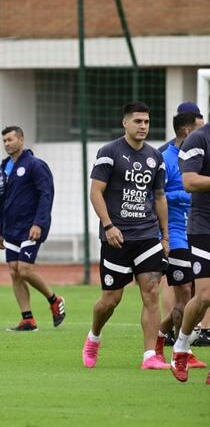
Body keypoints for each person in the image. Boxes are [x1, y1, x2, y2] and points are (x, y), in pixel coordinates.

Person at [83, 101, 170, 370]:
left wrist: (164, 236)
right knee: (111, 300)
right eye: (138, 121)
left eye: (146, 121)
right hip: (116, 237)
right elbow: (95, 192)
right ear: (125, 123)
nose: (143, 126)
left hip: (147, 235)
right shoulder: (109, 152)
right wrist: (108, 226)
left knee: (151, 293)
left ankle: (150, 356)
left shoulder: (156, 157)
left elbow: (158, 197)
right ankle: (94, 336)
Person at [0, 126, 65, 331]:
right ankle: (28, 319)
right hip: (11, 229)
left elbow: (46, 195)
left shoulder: (35, 165)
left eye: (10, 139)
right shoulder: (2, 169)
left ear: (22, 140)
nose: (7, 143)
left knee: (25, 269)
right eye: (4, 140)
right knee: (14, 272)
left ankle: (54, 300)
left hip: (30, 226)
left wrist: (39, 223)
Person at [156, 112, 205, 368]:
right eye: (199, 127)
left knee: (199, 296)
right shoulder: (165, 159)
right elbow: (157, 197)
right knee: (185, 293)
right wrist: (188, 195)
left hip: (198, 232)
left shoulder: (201, 156)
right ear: (187, 132)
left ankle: (160, 335)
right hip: (176, 235)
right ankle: (181, 349)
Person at [170, 110, 210, 382]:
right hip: (204, 226)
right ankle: (181, 347)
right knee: (205, 295)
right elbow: (190, 181)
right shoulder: (198, 139)